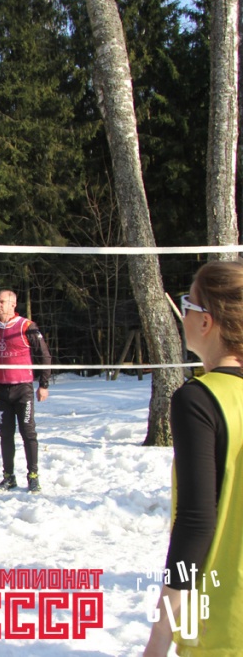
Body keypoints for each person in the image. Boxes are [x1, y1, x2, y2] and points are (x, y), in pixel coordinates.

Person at [143, 261, 243, 656]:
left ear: (207, 321)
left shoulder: (199, 400)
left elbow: (196, 522)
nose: (182, 313)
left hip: (223, 620)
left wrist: (159, 639)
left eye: (188, 304)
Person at [0, 289, 51, 493]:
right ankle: (9, 477)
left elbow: (45, 356)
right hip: (0, 389)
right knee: (5, 434)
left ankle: (33, 476)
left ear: (13, 304)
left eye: (2, 301)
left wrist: (44, 384)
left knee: (28, 432)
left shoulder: (27, 326)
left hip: (23, 388)